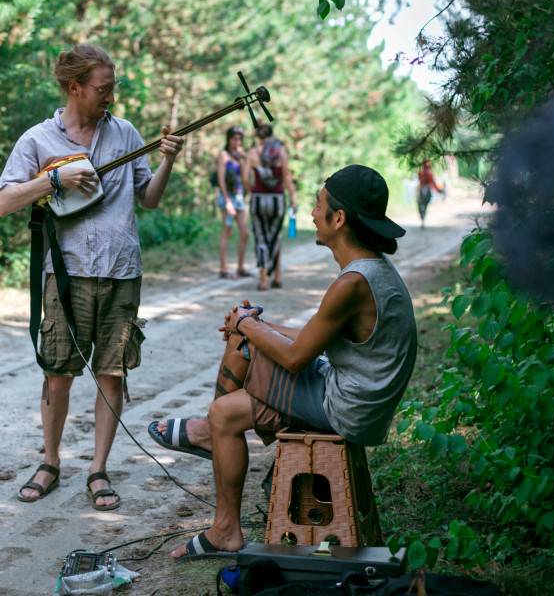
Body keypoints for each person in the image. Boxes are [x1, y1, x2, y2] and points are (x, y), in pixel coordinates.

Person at [148, 165, 417, 559]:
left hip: (347, 407)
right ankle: (215, 429)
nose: (310, 212)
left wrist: (245, 325)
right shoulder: (372, 272)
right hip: (356, 397)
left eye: (318, 203)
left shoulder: (352, 283)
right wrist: (257, 323)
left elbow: (294, 357)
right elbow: (311, 338)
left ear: (338, 218)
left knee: (242, 350)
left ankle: (215, 463)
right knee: (232, 392)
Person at [0, 44, 184, 511]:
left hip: (121, 271)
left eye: (112, 86)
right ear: (75, 88)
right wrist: (54, 181)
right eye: (103, 88)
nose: (110, 96)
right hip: (66, 273)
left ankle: (98, 470)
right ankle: (51, 462)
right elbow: (3, 202)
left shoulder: (125, 134)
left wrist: (168, 161)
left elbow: (150, 199)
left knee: (112, 374)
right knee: (58, 373)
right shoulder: (39, 140)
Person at [243, 124, 297, 291]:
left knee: (261, 238)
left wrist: (252, 191)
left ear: (257, 135)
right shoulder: (280, 150)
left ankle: (263, 279)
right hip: (277, 199)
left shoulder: (252, 153)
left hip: (258, 200)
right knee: (274, 237)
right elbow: (287, 176)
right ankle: (277, 276)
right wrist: (293, 197)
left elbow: (245, 178)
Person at [215, 126, 250, 278]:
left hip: (239, 197)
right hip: (227, 197)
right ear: (229, 139)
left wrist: (244, 159)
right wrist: (227, 201)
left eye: (239, 139)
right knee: (227, 231)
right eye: (235, 138)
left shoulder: (240, 156)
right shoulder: (223, 155)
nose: (237, 142)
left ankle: (240, 267)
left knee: (245, 233)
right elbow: (221, 179)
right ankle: (223, 268)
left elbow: (245, 177)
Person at [417, 159, 445, 228]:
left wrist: (438, 190)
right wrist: (439, 190)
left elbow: (432, 183)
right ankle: (423, 217)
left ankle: (422, 217)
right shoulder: (428, 172)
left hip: (423, 188)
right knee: (424, 205)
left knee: (421, 204)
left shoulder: (423, 172)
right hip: (424, 188)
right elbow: (433, 183)